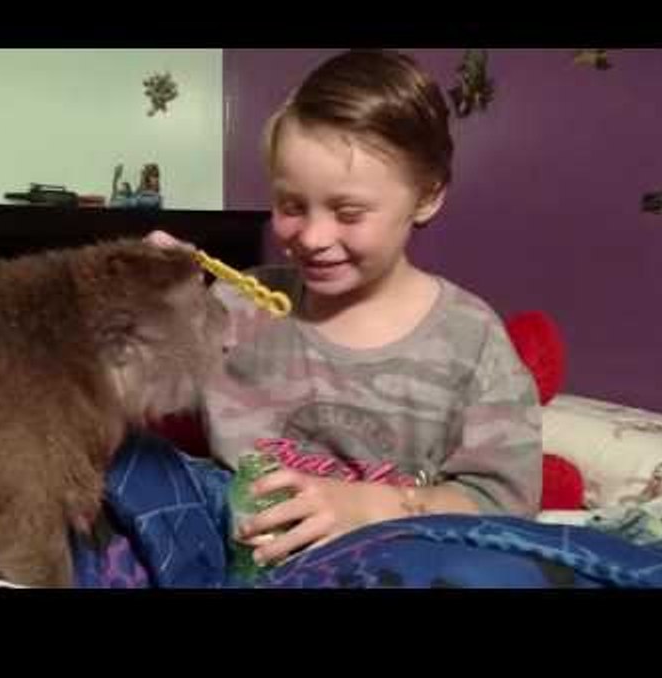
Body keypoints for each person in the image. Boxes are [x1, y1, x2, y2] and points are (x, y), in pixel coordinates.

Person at [146, 49, 542, 569]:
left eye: (348, 212)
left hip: (394, 565)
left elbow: (504, 506)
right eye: (291, 206)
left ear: (426, 197)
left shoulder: (472, 340)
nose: (311, 237)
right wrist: (146, 300)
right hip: (240, 556)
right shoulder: (235, 308)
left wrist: (376, 506)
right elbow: (123, 387)